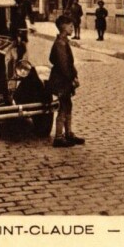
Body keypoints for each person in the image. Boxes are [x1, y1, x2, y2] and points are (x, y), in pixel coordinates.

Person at [49, 14, 85, 148]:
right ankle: (58, 137)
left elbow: (67, 63)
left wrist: (74, 75)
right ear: (63, 27)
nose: (72, 28)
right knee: (63, 106)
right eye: (70, 26)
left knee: (68, 104)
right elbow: (64, 66)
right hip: (61, 80)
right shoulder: (60, 44)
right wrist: (72, 79)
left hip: (64, 79)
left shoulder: (63, 42)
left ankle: (68, 133)